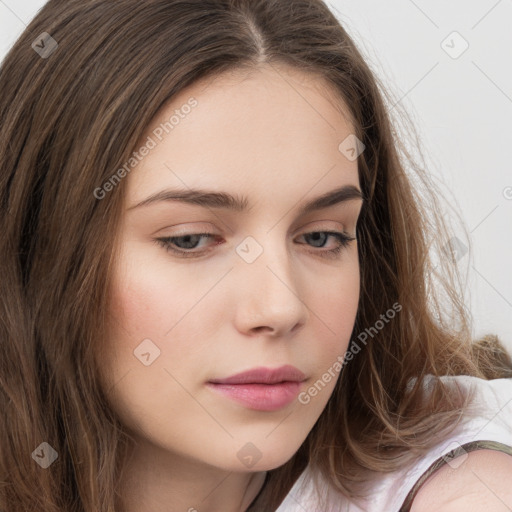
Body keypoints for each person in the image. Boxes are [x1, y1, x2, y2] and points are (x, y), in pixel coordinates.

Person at [0, 1, 511, 511]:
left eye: (321, 237)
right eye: (191, 239)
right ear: (35, 249)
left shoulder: (460, 486)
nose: (280, 308)